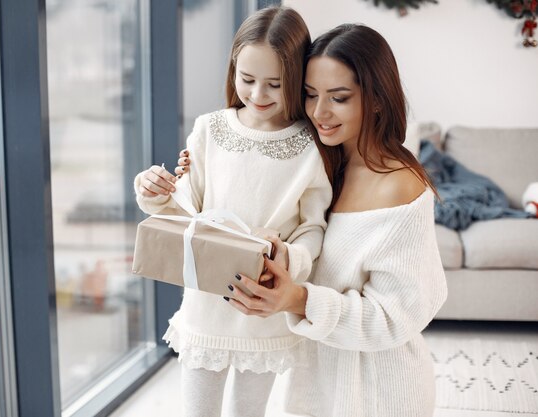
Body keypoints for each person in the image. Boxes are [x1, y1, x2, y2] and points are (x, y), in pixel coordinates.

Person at [177, 24, 448, 417]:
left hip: (377, 395)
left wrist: (298, 300)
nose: (319, 112)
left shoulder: (399, 188)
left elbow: (396, 317)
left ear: (376, 99)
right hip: (316, 389)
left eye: (338, 98)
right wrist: (191, 168)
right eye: (309, 94)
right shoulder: (327, 159)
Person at [134, 7, 332, 417]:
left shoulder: (312, 146)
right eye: (247, 80)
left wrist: (286, 255)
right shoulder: (209, 129)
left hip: (262, 306)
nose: (258, 95)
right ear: (233, 70)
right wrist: (153, 192)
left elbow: (313, 229)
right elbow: (185, 210)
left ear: (296, 78)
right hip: (205, 306)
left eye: (274, 84)